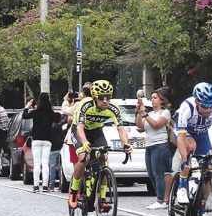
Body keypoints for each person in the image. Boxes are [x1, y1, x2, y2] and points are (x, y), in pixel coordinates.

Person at [67, 80, 132, 208]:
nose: (105, 101)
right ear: (95, 98)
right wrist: (85, 143)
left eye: (108, 97)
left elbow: (120, 128)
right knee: (84, 157)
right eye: (102, 98)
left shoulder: (113, 108)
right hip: (80, 130)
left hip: (96, 132)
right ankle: (74, 191)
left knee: (104, 159)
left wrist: (126, 144)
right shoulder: (85, 105)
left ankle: (102, 198)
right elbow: (79, 127)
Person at [171, 82, 212, 207]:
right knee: (190, 147)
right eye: (205, 106)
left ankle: (201, 207)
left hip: (201, 134)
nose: (208, 109)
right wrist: (185, 160)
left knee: (209, 168)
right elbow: (181, 138)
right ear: (196, 102)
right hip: (184, 132)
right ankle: (182, 187)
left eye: (211, 106)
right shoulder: (187, 107)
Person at [136, 87, 174, 208]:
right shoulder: (151, 113)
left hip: (160, 145)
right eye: (151, 98)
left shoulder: (165, 113)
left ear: (161, 101)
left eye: (155, 98)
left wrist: (145, 115)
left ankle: (161, 200)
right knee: (151, 174)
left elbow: (157, 125)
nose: (152, 100)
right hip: (149, 145)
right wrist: (139, 112)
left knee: (159, 173)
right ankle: (160, 197)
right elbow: (140, 127)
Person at [23, 92, 57, 193]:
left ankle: (36, 186)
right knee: (45, 163)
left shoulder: (36, 112)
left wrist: (27, 106)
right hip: (47, 140)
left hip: (36, 139)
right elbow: (58, 119)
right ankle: (46, 186)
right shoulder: (51, 113)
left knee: (37, 163)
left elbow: (24, 116)